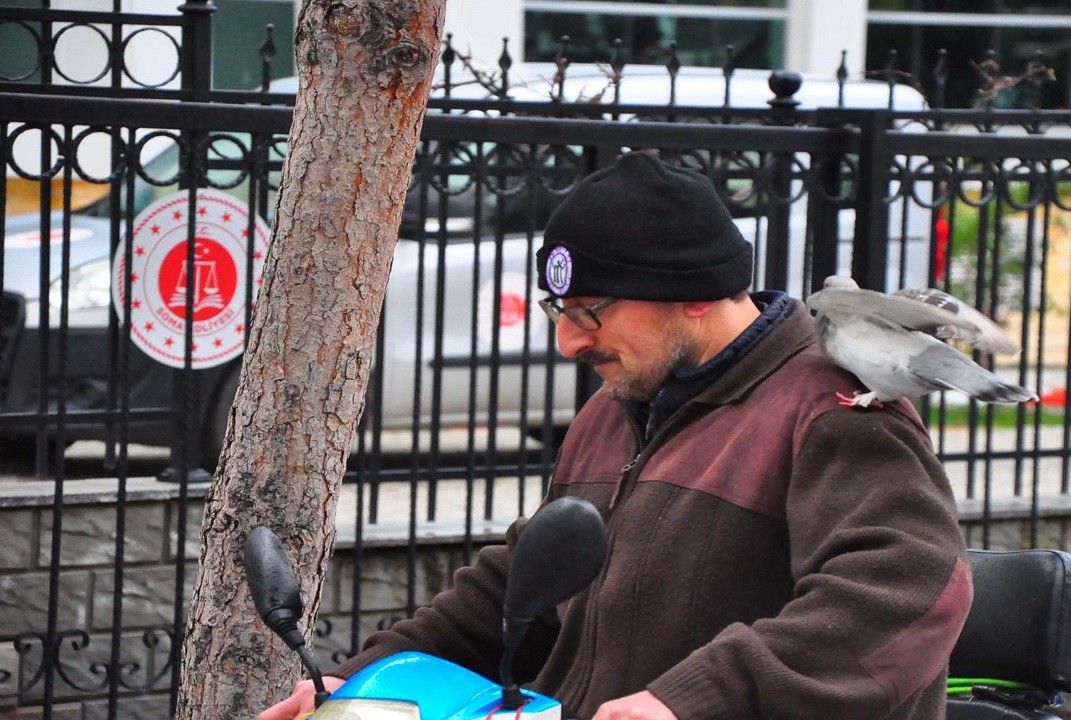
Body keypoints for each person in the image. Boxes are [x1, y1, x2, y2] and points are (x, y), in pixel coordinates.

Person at [261, 150, 972, 720]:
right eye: (558, 309)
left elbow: (911, 590)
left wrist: (688, 700)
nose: (569, 341)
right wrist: (353, 687)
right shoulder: (616, 408)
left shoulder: (827, 409)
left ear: (693, 297)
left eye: (592, 311)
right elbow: (520, 587)